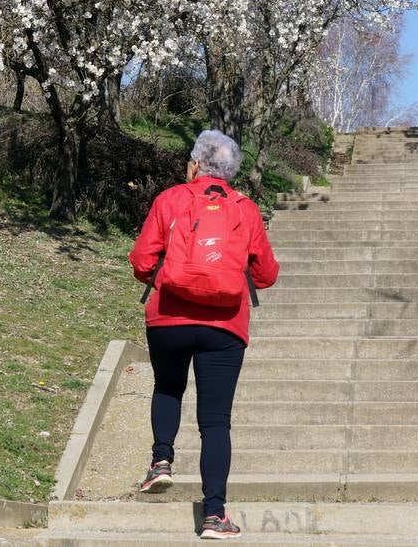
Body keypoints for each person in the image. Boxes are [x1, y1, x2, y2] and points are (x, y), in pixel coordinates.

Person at [128, 129, 279, 541]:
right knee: (215, 422)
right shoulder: (245, 208)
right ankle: (214, 515)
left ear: (195, 163)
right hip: (225, 325)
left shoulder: (171, 199)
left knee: (168, 387)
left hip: (169, 318)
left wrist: (169, 274)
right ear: (231, 171)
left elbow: (142, 261)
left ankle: (161, 462)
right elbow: (266, 274)